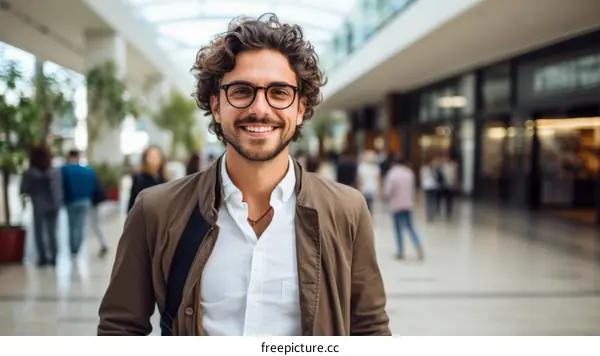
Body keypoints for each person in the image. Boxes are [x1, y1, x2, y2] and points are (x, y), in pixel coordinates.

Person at [98, 13, 389, 336]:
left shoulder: (346, 210)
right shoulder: (156, 210)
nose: (260, 108)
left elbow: (370, 329)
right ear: (217, 105)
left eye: (279, 92)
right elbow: (120, 329)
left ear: (301, 107)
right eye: (240, 91)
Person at [20, 145, 62, 267]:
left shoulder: (30, 173)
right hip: (53, 205)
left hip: (38, 205)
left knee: (39, 232)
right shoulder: (54, 172)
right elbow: (58, 189)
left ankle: (43, 258)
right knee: (52, 232)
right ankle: (54, 258)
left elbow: (24, 189)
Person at [383, 155, 424, 260]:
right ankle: (418, 246)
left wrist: (386, 197)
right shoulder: (409, 173)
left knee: (398, 229)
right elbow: (413, 188)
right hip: (408, 204)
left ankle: (401, 252)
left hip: (396, 205)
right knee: (410, 227)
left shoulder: (392, 174)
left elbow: (388, 191)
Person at [61, 149, 97, 259]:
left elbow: (61, 186)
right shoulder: (88, 170)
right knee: (80, 225)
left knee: (72, 225)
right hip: (85, 200)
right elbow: (93, 186)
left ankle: (73, 250)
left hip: (71, 200)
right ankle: (77, 249)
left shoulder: (65, 170)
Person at [127, 146, 167, 212]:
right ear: (145, 159)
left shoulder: (164, 180)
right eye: (151, 157)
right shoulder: (139, 179)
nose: (154, 160)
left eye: (157, 157)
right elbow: (132, 201)